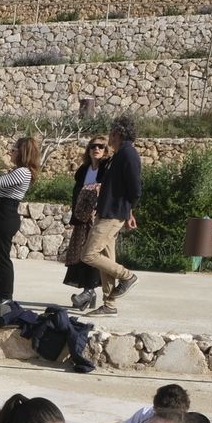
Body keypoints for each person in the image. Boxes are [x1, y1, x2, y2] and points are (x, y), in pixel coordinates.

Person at [83, 115, 143, 317]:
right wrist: (130, 212)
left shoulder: (129, 154)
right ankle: (109, 304)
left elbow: (135, 189)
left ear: (117, 133)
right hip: (109, 211)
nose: (109, 136)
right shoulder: (119, 155)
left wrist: (128, 210)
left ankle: (127, 276)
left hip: (113, 213)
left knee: (89, 254)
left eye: (111, 132)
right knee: (107, 257)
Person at [0, 136, 40, 307]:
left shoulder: (23, 171)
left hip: (6, 216)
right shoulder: (20, 171)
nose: (10, 152)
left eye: (14, 150)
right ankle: (1, 294)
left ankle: (5, 295)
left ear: (23, 153)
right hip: (3, 216)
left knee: (1, 257)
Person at [63, 135, 109, 308]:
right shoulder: (83, 170)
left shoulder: (107, 169)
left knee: (92, 254)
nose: (96, 149)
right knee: (80, 255)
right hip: (82, 219)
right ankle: (88, 293)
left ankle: (88, 291)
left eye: (101, 146)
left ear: (106, 150)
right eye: (93, 146)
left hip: (98, 219)